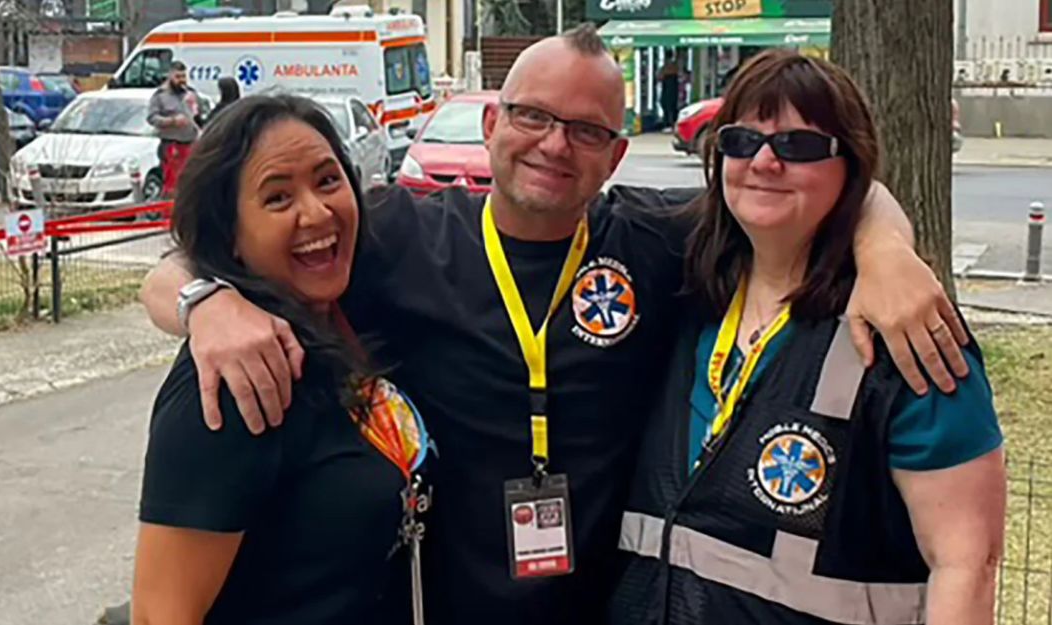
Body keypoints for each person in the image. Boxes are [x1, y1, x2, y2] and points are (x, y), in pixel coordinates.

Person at [138, 25, 970, 625]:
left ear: (614, 156)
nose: (554, 145)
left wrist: (887, 248)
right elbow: (198, 255)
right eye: (533, 117)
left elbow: (799, 188)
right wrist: (204, 303)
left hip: (606, 605)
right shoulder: (395, 235)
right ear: (494, 125)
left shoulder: (655, 240)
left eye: (586, 130)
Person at [611, 50, 1005, 625]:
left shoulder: (909, 334)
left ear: (851, 169)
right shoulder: (683, 278)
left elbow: (967, 564)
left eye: (799, 146)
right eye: (742, 140)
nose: (765, 161)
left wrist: (884, 246)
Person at [131, 94, 432, 625]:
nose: (315, 213)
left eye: (327, 181)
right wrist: (203, 302)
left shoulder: (344, 312)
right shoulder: (232, 379)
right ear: (232, 237)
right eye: (277, 198)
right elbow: (161, 613)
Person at [147, 61, 201, 198]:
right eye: (178, 77)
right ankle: (168, 214)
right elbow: (151, 118)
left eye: (184, 76)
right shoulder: (160, 96)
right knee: (173, 184)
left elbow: (200, 116)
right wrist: (172, 121)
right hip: (172, 145)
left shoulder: (190, 94)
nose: (181, 80)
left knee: (190, 182)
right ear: (170, 76)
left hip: (191, 143)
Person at [656, 51, 680, 131]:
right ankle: (671, 123)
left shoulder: (668, 67)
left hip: (669, 90)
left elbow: (659, 76)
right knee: (670, 106)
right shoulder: (673, 66)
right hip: (671, 90)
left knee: (669, 106)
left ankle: (669, 124)